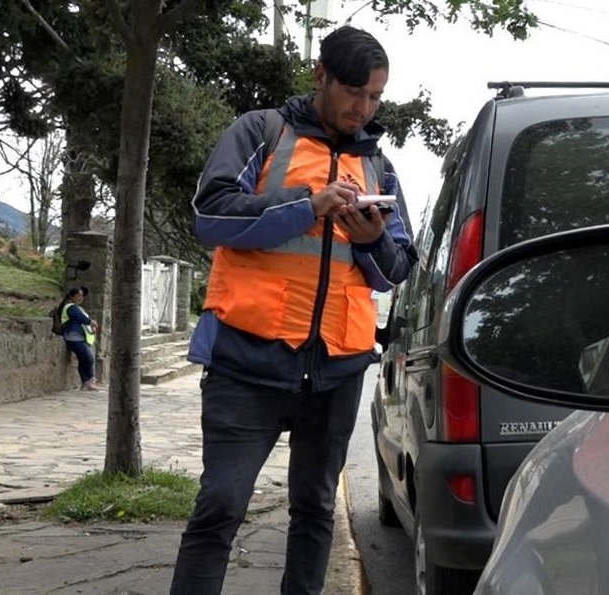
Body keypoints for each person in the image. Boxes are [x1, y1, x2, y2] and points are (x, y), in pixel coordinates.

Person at [170, 25, 417, 595]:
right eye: (354, 91)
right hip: (246, 362)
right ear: (320, 76)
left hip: (338, 368)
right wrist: (305, 207)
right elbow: (211, 217)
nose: (364, 107)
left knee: (315, 509)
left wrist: (370, 238)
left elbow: (393, 270)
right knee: (219, 508)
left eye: (376, 96)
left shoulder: (379, 168)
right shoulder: (262, 130)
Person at [60, 286, 100, 391]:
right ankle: (89, 381)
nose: (81, 298)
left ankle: (86, 382)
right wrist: (90, 322)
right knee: (88, 357)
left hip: (81, 337)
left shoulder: (78, 308)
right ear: (71, 296)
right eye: (78, 295)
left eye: (82, 296)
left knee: (83, 359)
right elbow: (80, 317)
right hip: (73, 337)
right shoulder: (70, 307)